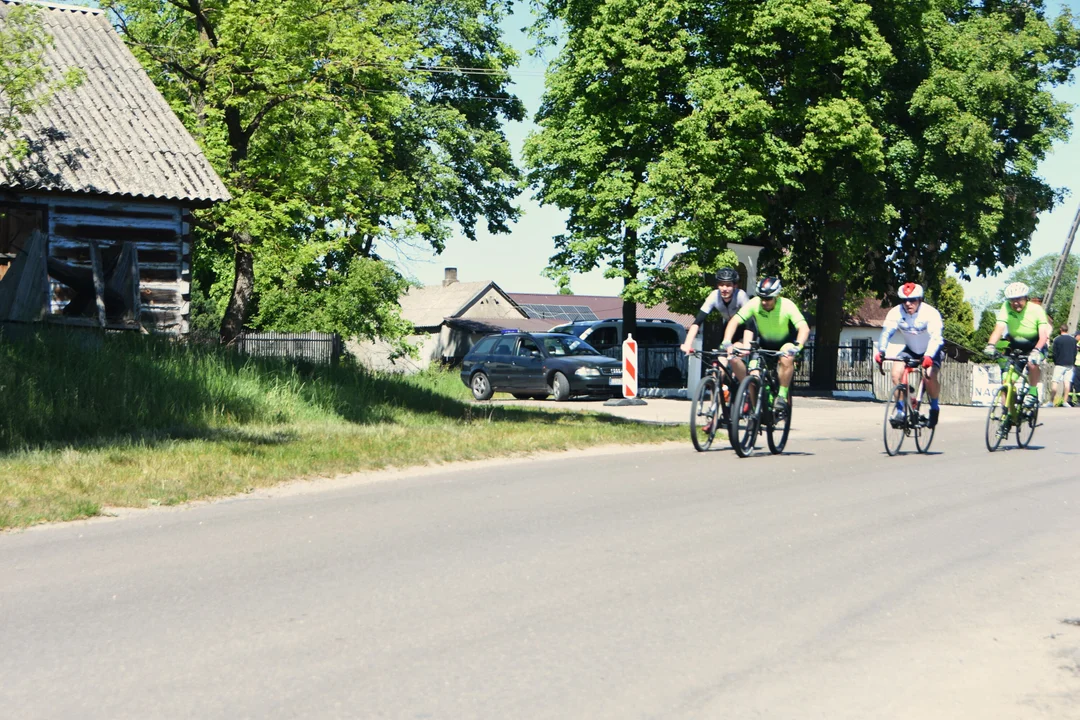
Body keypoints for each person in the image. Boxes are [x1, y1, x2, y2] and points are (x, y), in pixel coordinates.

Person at [721, 276, 810, 416]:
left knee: (787, 356)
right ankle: (756, 409)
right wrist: (727, 341)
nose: (764, 302)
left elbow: (803, 328)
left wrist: (798, 346)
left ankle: (781, 395)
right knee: (753, 374)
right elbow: (735, 321)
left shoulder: (787, 305)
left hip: (784, 344)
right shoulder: (755, 303)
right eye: (761, 297)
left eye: (768, 299)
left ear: (776, 296)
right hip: (762, 345)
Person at [873, 282, 946, 428]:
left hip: (931, 350)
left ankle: (934, 408)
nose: (908, 303)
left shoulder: (930, 313)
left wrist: (929, 356)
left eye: (912, 300)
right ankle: (901, 411)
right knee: (895, 374)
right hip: (911, 348)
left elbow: (936, 338)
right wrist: (881, 351)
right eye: (904, 300)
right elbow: (886, 333)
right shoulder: (895, 312)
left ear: (920, 299)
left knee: (928, 375)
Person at [983, 282, 1051, 409]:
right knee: (1006, 381)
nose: (1015, 303)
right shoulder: (1006, 307)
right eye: (1012, 300)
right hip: (1016, 347)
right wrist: (991, 345)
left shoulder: (1037, 310)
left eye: (1019, 299)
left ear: (1026, 298)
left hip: (1036, 345)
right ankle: (1008, 414)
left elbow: (1043, 336)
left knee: (1032, 363)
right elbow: (999, 328)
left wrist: (1036, 351)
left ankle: (1032, 391)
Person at [681, 266, 750, 379]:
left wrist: (746, 344)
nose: (724, 288)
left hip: (745, 330)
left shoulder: (741, 295)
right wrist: (688, 344)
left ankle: (743, 386)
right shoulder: (714, 296)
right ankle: (717, 390)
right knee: (719, 366)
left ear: (735, 286)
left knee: (735, 353)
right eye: (721, 285)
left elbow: (750, 323)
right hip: (728, 329)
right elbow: (697, 322)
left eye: (728, 285)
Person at [1050, 324, 1077, 407]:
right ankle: (1065, 401)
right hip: (1069, 364)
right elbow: (1075, 352)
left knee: (1055, 382)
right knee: (1067, 383)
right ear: (1067, 330)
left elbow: (1054, 352)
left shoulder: (1057, 340)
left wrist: (1056, 361)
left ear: (1060, 329)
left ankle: (1051, 401)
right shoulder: (1073, 340)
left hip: (1060, 363)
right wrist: (1072, 361)